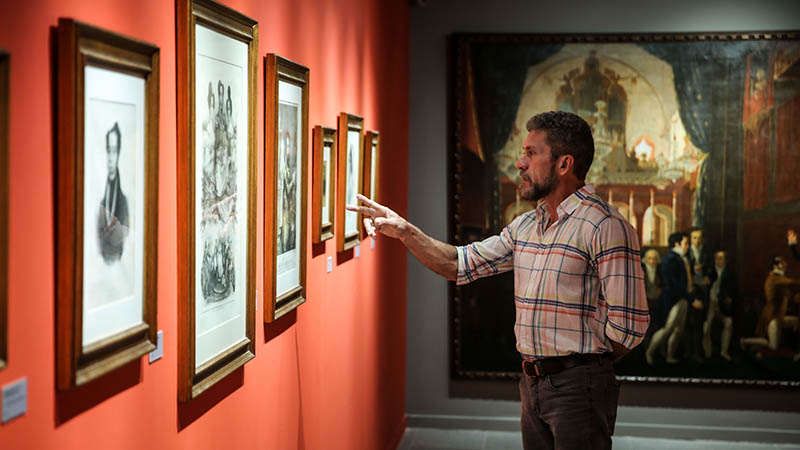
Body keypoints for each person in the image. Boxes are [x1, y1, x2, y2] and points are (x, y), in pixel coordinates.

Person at [348, 111, 649, 450]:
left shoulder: (604, 226)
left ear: (564, 164)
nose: (520, 163)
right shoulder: (525, 226)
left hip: (579, 387)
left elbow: (629, 327)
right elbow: (459, 264)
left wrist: (583, 368)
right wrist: (405, 231)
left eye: (531, 153)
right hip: (532, 383)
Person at [645, 232, 691, 365]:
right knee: (668, 327)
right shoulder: (671, 259)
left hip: (682, 299)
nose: (687, 246)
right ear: (677, 244)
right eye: (685, 243)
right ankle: (650, 352)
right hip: (674, 300)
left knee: (678, 329)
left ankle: (670, 356)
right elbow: (673, 286)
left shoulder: (682, 258)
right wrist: (691, 298)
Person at [741, 257, 800, 351]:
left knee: (797, 321)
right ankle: (745, 341)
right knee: (773, 346)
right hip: (772, 317)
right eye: (781, 264)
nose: (784, 265)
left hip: (779, 316)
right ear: (775, 266)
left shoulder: (779, 279)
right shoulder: (774, 279)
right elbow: (792, 281)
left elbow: (788, 292)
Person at [97, 122, 129, 264]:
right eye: (108, 150)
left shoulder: (123, 201)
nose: (110, 157)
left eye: (114, 151)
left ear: (118, 154)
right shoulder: (100, 200)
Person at [702, 250, 736, 360]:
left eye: (721, 258)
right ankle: (707, 352)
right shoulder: (709, 271)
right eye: (716, 258)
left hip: (722, 304)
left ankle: (724, 351)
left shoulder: (730, 273)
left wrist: (729, 298)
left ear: (726, 260)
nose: (718, 260)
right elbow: (703, 286)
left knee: (729, 323)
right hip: (710, 303)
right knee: (706, 327)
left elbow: (733, 290)